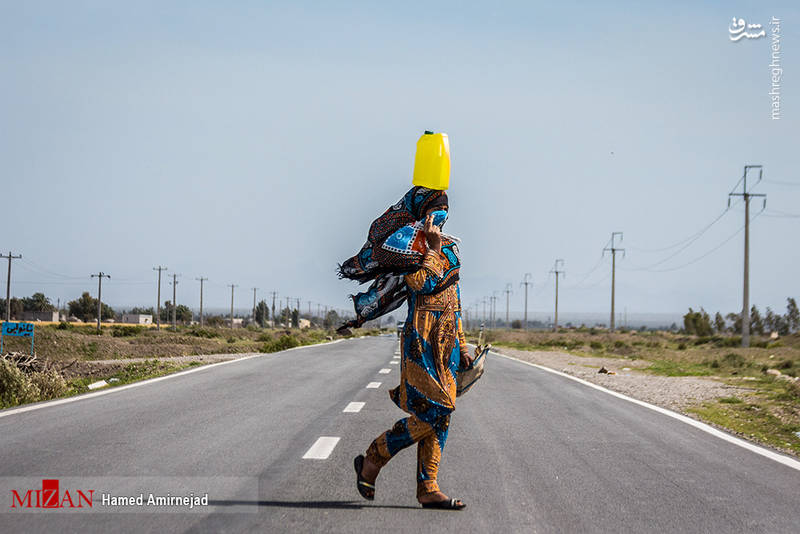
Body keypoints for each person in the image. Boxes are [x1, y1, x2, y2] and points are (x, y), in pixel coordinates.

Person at [339, 187, 472, 510]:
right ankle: (375, 457)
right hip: (421, 342)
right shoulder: (408, 250)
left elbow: (454, 297)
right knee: (437, 409)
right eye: (432, 212)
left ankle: (428, 487)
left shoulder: (451, 246)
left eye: (440, 213)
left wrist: (464, 344)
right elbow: (420, 284)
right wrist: (431, 248)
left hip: (447, 343)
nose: (436, 218)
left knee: (439, 416)